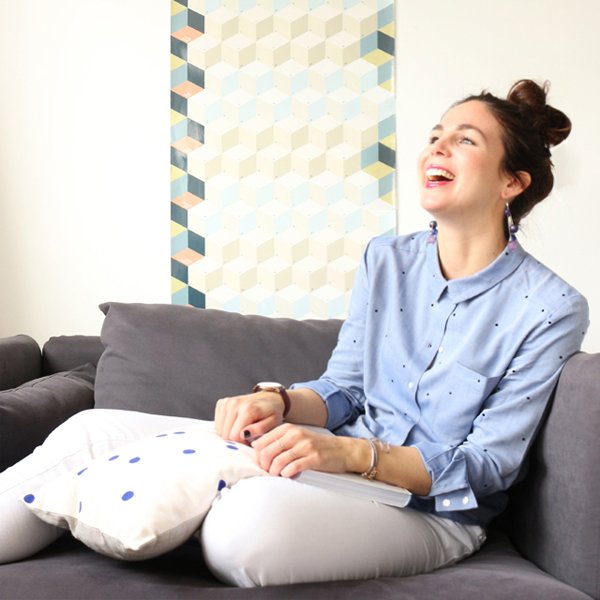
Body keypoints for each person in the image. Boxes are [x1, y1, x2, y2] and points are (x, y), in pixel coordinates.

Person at [0, 79, 589, 587]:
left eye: (465, 139)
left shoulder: (551, 308)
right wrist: (279, 402)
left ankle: (187, 511)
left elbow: (487, 466)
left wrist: (351, 454)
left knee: (246, 526)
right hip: (328, 466)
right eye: (436, 133)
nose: (437, 145)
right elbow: (345, 389)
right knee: (94, 427)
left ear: (512, 183)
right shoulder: (387, 259)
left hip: (428, 511)